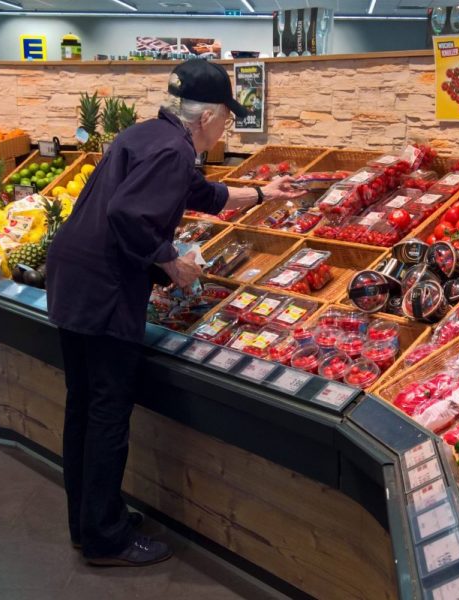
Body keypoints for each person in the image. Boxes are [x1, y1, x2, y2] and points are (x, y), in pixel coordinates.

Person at [46, 59, 304, 567]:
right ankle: (106, 539)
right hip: (105, 289)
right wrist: (171, 262)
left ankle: (90, 520)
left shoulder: (149, 136)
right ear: (206, 117)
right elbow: (129, 215)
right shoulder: (172, 150)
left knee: (83, 407)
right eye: (226, 119)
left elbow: (199, 192)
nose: (225, 129)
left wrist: (259, 194)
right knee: (107, 414)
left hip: (73, 277)